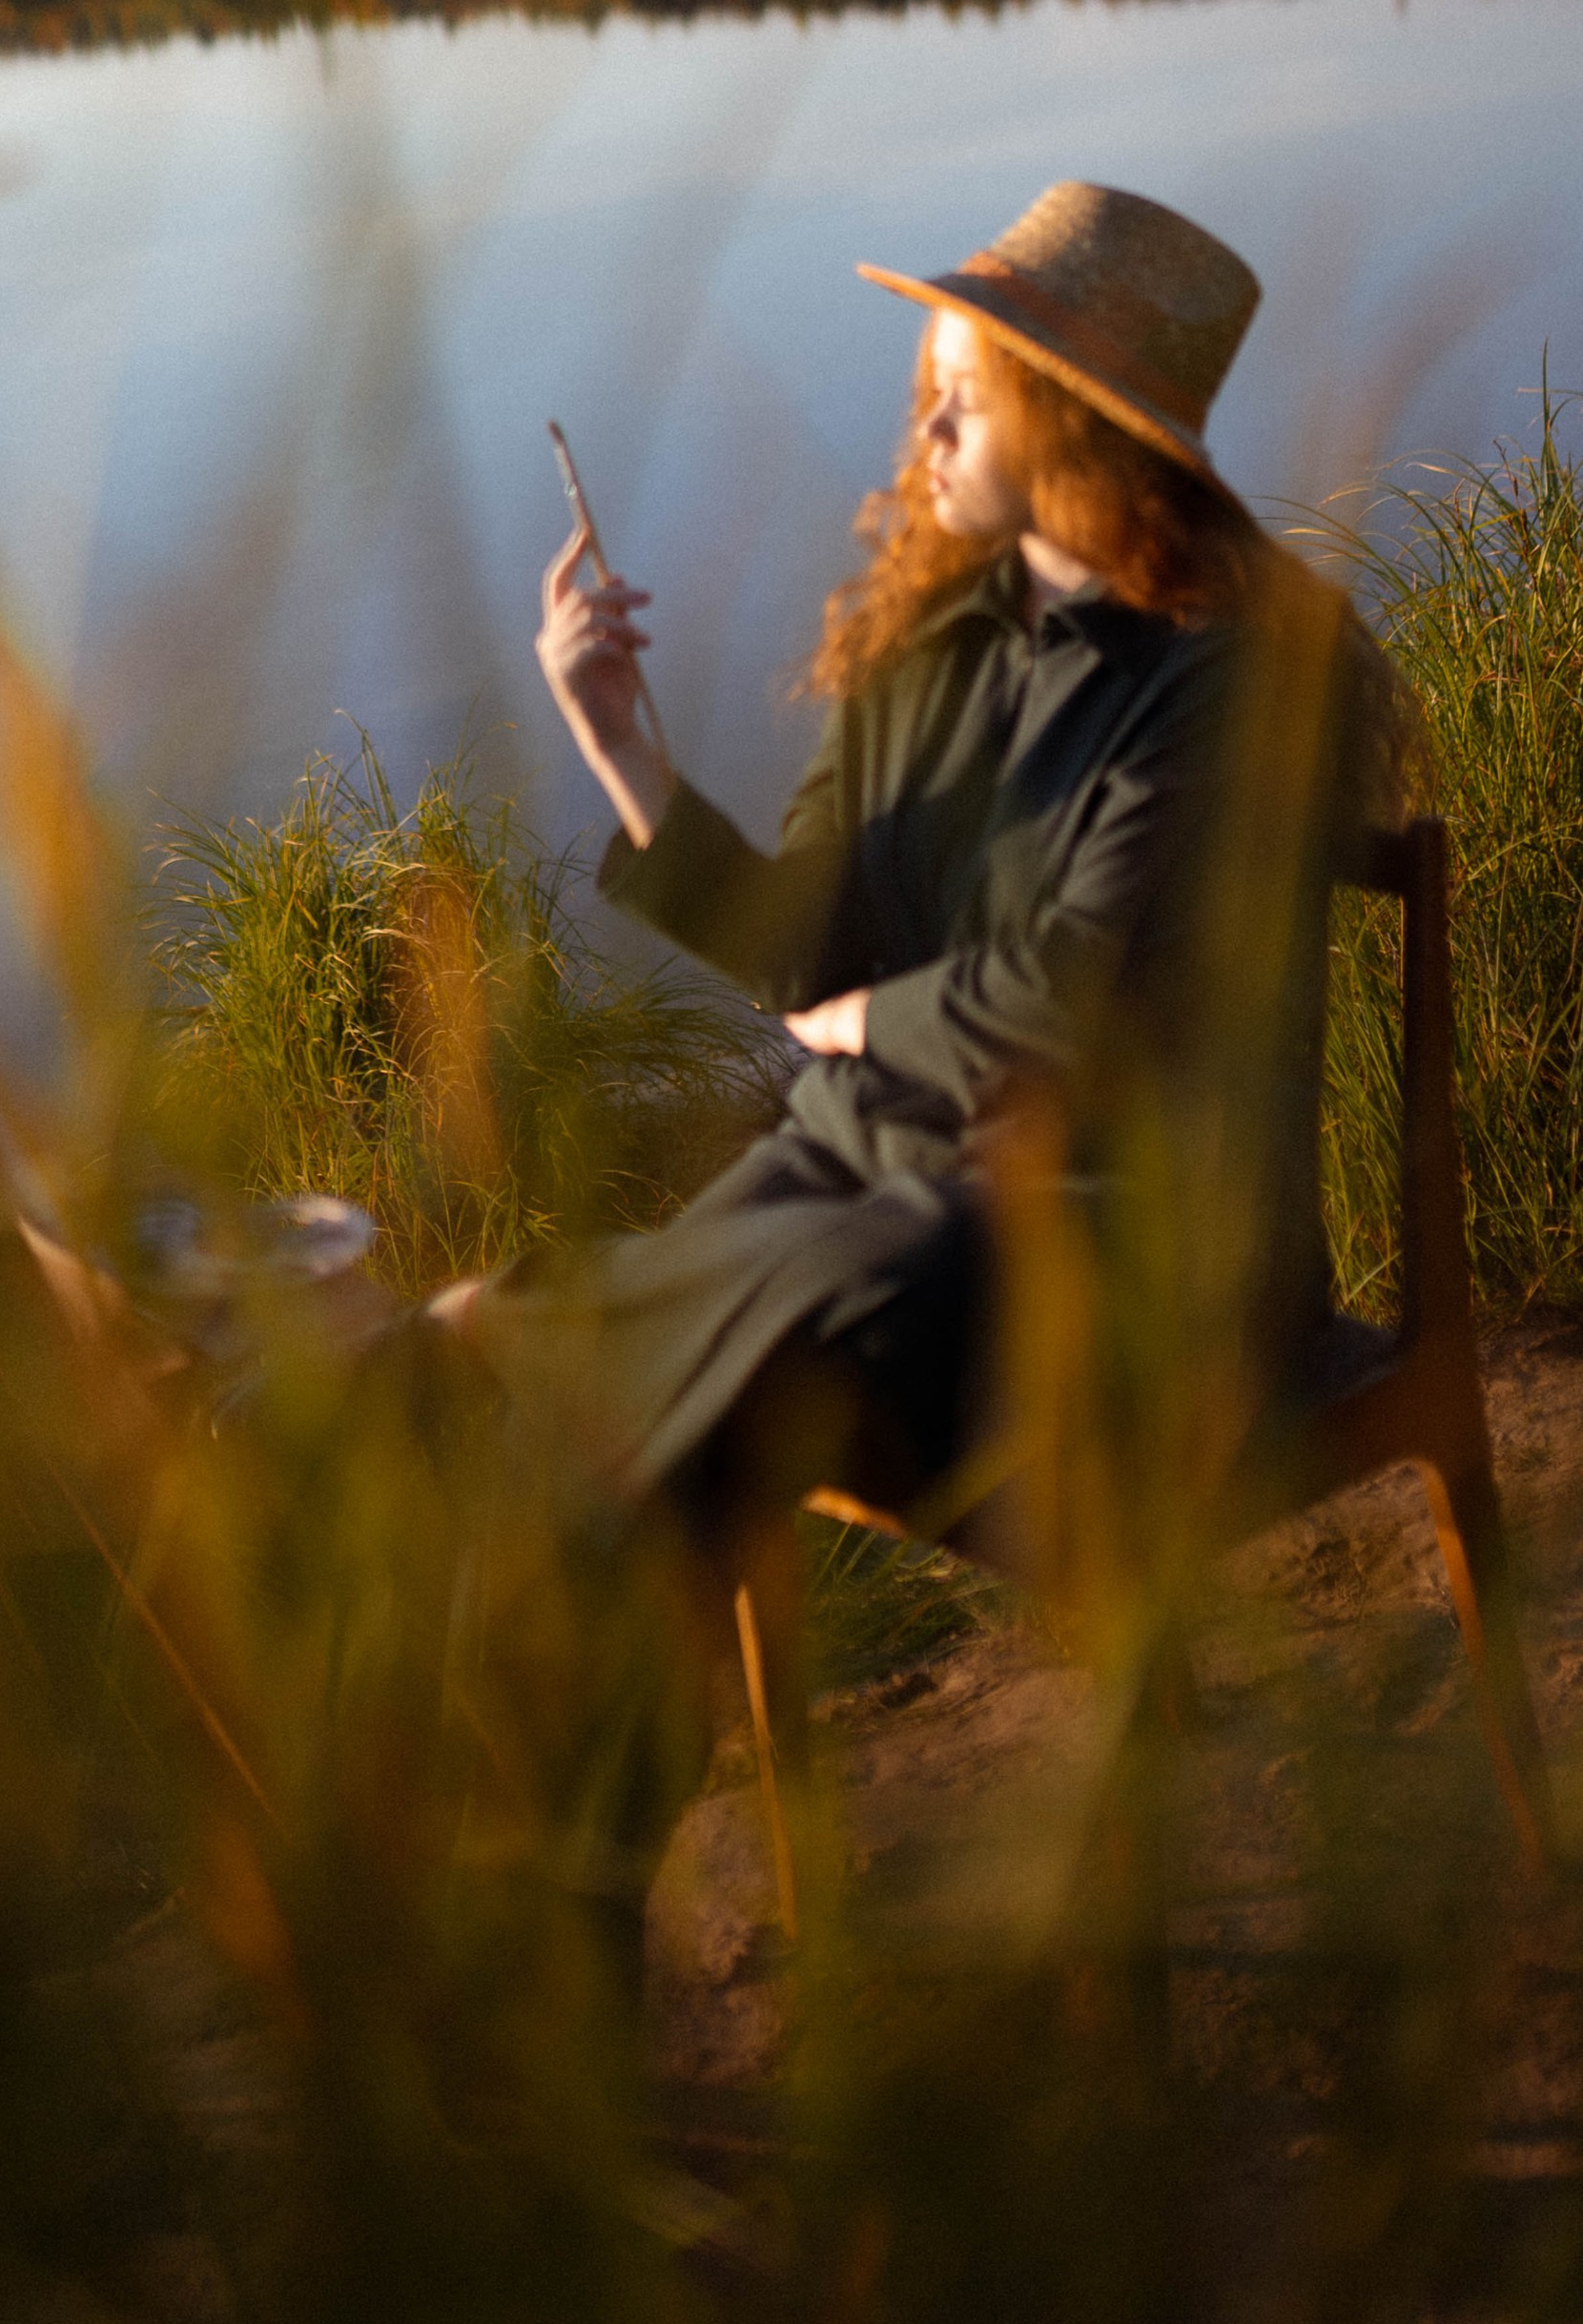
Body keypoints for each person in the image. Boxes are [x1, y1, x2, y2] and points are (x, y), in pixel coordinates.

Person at [441, 178, 1405, 1608]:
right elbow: (811, 950)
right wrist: (625, 748)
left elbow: (1058, 1001)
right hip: (885, 1172)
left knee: (792, 1294)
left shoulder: (1221, 683)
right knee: (669, 1440)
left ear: (1073, 424)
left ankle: (449, 1344)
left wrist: (858, 1030)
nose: (926, 431)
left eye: (963, 399)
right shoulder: (931, 644)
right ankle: (554, 1806)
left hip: (1137, 1245)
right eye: (928, 395)